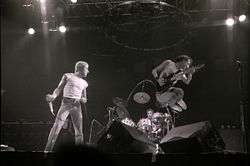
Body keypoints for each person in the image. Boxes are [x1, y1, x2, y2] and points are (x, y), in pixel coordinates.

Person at [44, 61, 89, 152]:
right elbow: (59, 88)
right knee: (56, 127)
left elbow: (85, 98)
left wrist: (81, 99)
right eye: (86, 69)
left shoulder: (84, 83)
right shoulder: (68, 76)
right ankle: (47, 151)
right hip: (66, 104)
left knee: (79, 131)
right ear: (80, 69)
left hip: (77, 106)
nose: (88, 71)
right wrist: (53, 96)